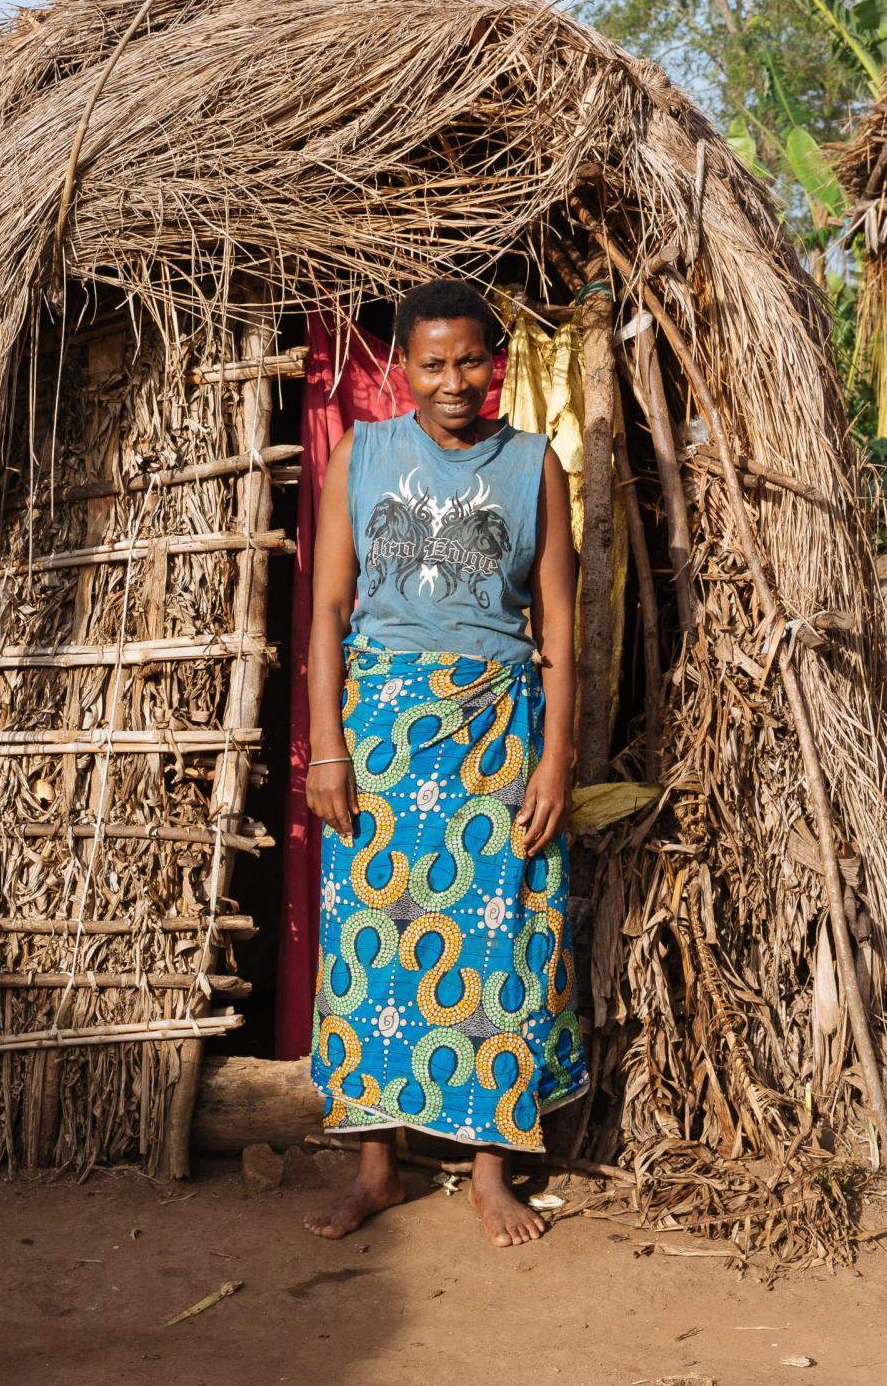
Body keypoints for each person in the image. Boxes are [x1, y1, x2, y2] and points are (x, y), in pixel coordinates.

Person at [301, 277, 583, 1249]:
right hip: (380, 734)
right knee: (370, 940)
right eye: (432, 361)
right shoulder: (363, 454)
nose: (452, 379)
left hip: (494, 733)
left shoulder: (534, 465)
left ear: (491, 360)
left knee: (496, 939)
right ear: (404, 366)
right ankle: (375, 1167)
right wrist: (328, 747)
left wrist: (554, 761)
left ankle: (488, 1166)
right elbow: (328, 613)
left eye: (469, 358)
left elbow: (557, 626)